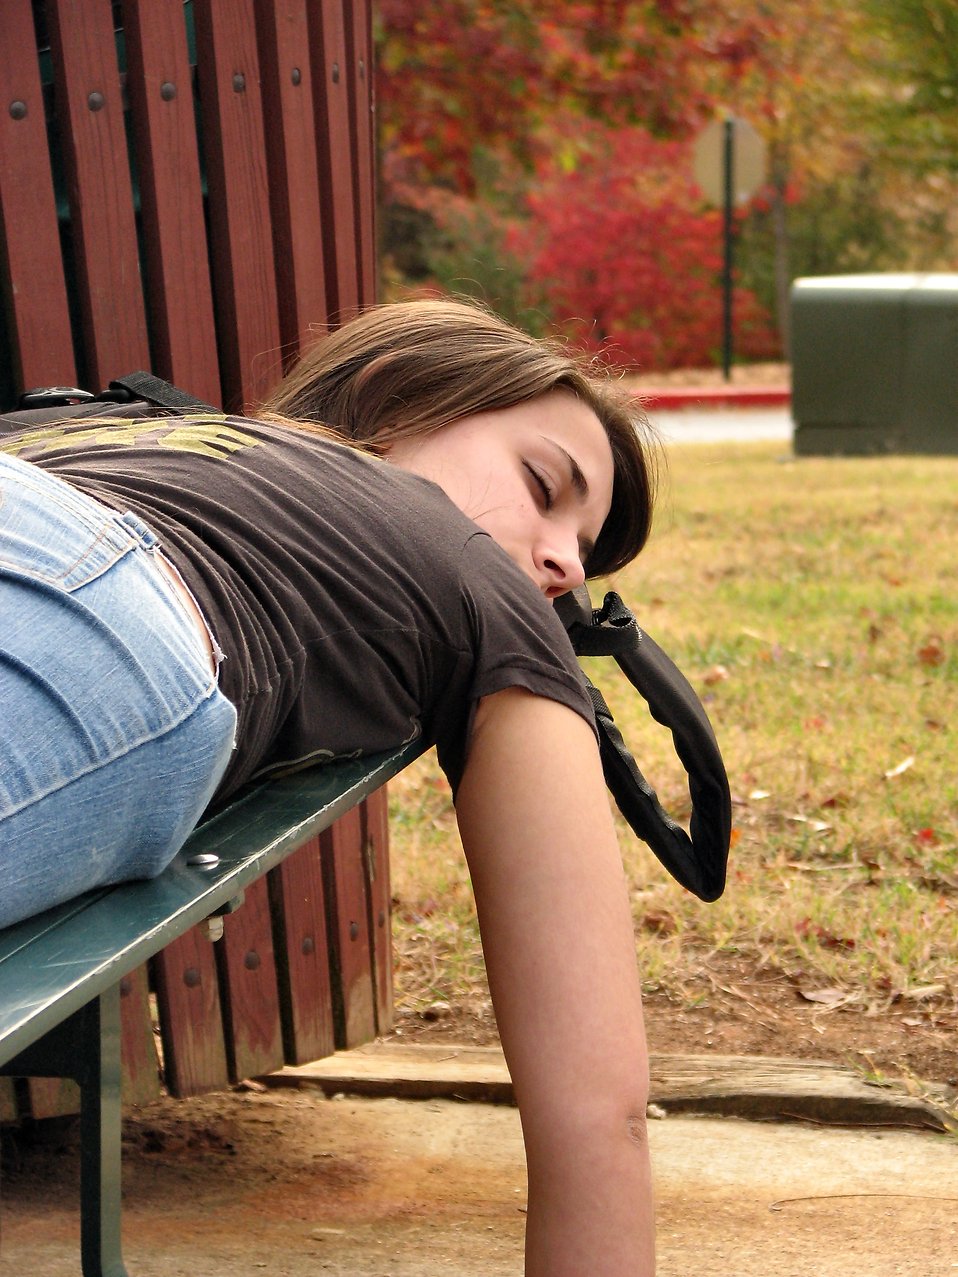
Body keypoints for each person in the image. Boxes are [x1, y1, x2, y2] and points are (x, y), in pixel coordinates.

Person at [0, 298, 659, 1275]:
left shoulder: (112, 425)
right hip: (95, 592)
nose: (565, 559)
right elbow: (597, 1113)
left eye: (585, 548)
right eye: (544, 484)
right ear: (393, 397)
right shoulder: (469, 573)